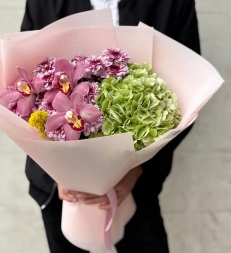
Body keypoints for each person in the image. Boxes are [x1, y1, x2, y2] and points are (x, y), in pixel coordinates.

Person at [21, 1, 201, 252]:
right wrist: (61, 170)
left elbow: (190, 95)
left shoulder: (172, 5)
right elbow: (26, 88)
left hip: (136, 186)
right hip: (62, 191)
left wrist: (136, 172)